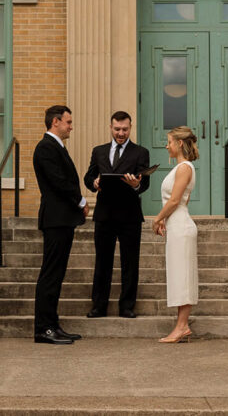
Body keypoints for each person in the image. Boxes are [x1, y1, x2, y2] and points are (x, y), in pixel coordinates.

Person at [83, 111, 151, 319]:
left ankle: (127, 306)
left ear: (131, 128)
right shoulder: (99, 151)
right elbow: (88, 176)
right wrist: (93, 183)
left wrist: (136, 183)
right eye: (117, 129)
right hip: (104, 215)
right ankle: (99, 306)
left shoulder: (140, 152)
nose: (121, 133)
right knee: (102, 262)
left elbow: (145, 182)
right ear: (111, 127)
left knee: (130, 262)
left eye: (125, 129)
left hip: (130, 215)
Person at [33, 105, 87, 345]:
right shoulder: (46, 147)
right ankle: (43, 328)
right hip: (55, 219)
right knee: (51, 274)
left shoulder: (56, 146)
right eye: (68, 122)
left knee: (57, 274)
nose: (71, 127)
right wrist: (81, 200)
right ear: (56, 122)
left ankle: (53, 324)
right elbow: (58, 181)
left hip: (62, 219)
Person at [151, 126, 199, 343]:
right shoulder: (180, 168)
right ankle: (181, 326)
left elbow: (175, 201)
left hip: (181, 227)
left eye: (169, 141)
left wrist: (158, 218)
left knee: (183, 276)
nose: (166, 145)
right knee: (179, 275)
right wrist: (166, 220)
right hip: (176, 225)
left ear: (179, 143)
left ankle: (182, 327)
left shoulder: (185, 168)